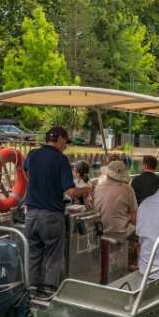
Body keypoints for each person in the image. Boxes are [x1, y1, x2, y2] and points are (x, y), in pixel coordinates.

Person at [23, 126, 92, 295]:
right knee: (54, 256)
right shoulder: (61, 160)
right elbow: (70, 191)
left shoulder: (33, 154)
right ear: (59, 139)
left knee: (34, 255)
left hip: (30, 215)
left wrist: (39, 185)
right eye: (65, 142)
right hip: (51, 216)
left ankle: (32, 290)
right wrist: (88, 190)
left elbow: (26, 172)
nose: (66, 146)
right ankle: (48, 292)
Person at [94, 160, 138, 242]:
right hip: (121, 232)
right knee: (144, 236)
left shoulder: (98, 187)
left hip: (100, 231)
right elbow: (133, 217)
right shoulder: (127, 189)